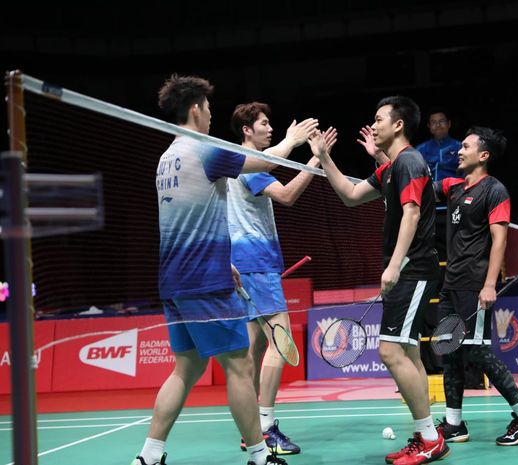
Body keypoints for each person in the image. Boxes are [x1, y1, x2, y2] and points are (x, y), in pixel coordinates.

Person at [132, 74, 317, 465]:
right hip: (204, 281)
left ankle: (149, 455)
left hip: (173, 280)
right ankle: (258, 454)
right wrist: (295, 142)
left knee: (186, 367)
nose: (212, 116)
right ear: (196, 108)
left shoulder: (165, 158)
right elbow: (262, 163)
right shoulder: (204, 148)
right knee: (239, 363)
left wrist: (226, 261)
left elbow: (190, 216)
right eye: (210, 109)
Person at [309, 96, 448, 465]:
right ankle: (427, 435)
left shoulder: (410, 161)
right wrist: (324, 157)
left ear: (399, 124)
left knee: (389, 351)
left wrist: (395, 264)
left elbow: (412, 213)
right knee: (409, 353)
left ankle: (430, 438)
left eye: (380, 119)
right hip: (408, 269)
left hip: (413, 268)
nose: (374, 124)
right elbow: (351, 196)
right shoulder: (392, 167)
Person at [227, 102, 334, 455]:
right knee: (279, 340)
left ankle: (250, 430)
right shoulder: (250, 166)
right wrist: (316, 160)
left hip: (247, 265)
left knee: (254, 348)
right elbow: (287, 196)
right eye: (263, 123)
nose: (269, 128)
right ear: (247, 129)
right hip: (256, 264)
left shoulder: (242, 164)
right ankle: (266, 426)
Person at [434, 126, 518, 446]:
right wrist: (382, 155)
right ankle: (454, 424)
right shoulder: (453, 186)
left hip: (474, 284)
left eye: (465, 146)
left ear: (483, 155)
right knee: (450, 352)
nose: (459, 150)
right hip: (450, 285)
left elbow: (500, 240)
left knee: (479, 352)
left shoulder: (495, 190)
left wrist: (489, 284)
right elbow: (412, 185)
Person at [415, 108, 461, 183]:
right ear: (429, 126)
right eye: (433, 122)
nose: (438, 125)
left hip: (455, 191)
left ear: (449, 124)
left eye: (442, 121)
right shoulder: (420, 149)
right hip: (428, 192)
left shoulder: (460, 147)